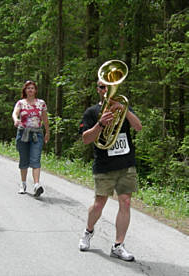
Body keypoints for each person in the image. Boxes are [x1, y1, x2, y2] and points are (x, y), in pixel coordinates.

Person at [78, 80, 142, 261]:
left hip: (126, 162)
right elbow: (85, 139)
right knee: (99, 204)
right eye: (102, 87)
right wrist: (100, 124)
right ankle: (88, 231)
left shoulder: (124, 107)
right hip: (104, 165)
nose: (106, 90)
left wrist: (125, 111)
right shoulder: (92, 112)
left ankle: (118, 245)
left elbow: (138, 127)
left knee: (126, 202)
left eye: (109, 86)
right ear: (98, 90)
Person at [12, 80, 50, 196]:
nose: (30, 90)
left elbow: (45, 118)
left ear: (35, 90)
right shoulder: (21, 103)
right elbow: (15, 113)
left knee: (35, 158)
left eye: (32, 88)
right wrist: (15, 120)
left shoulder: (41, 103)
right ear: (25, 90)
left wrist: (47, 132)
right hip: (23, 133)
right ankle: (23, 184)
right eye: (28, 88)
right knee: (24, 159)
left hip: (37, 134)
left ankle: (36, 185)